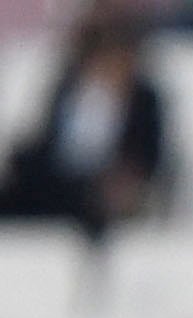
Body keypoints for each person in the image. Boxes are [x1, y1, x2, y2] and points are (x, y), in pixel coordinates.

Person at [0, 13, 166, 237]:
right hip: (57, 180)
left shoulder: (144, 100)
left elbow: (149, 155)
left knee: (98, 197)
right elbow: (47, 142)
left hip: (102, 187)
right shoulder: (67, 89)